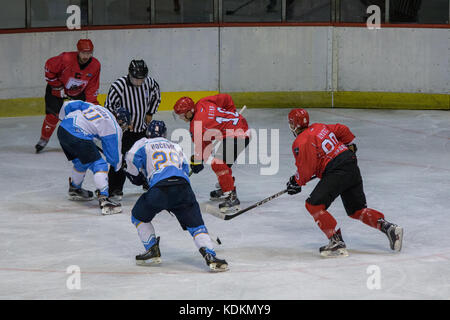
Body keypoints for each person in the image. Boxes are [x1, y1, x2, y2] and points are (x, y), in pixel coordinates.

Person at [285, 108, 403, 257]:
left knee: (313, 205)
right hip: (349, 162)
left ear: (294, 125)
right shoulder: (320, 127)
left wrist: (296, 181)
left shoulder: (300, 141)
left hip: (337, 170)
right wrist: (348, 144)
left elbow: (306, 170)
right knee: (357, 210)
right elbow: (342, 129)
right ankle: (389, 228)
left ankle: (336, 242)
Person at [124, 120, 228, 272]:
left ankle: (152, 250)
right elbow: (185, 170)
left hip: (159, 190)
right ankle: (210, 256)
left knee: (138, 216)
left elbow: (131, 159)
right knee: (196, 226)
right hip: (183, 189)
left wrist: (138, 178)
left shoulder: (143, 143)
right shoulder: (175, 146)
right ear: (165, 134)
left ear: (148, 133)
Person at [173, 94, 250, 212]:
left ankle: (231, 196)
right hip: (239, 126)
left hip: (238, 134)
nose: (181, 118)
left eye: (182, 115)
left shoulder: (196, 126)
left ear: (190, 111)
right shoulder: (202, 102)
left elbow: (204, 150)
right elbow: (227, 98)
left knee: (218, 163)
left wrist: (197, 162)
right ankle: (226, 187)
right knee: (222, 162)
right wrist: (232, 114)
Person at [57, 100, 130, 215]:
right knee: (99, 164)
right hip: (78, 134)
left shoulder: (98, 108)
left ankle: (75, 189)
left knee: (83, 161)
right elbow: (114, 158)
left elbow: (68, 104)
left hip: (62, 130)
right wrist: (120, 165)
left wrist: (62, 118)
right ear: (123, 122)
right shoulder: (114, 127)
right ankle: (105, 200)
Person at [104, 59, 161, 200]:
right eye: (136, 79)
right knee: (120, 160)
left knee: (147, 158)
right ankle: (115, 188)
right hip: (124, 132)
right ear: (129, 74)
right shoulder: (118, 86)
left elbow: (156, 94)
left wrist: (149, 113)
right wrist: (120, 121)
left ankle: (148, 182)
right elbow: (109, 107)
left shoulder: (149, 83)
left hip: (142, 129)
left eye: (142, 79)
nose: (139, 82)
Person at [36, 39, 101, 153]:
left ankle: (80, 140)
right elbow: (49, 67)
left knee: (81, 117)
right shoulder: (65, 58)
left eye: (89, 53)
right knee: (53, 115)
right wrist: (57, 86)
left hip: (79, 93)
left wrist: (91, 103)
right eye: (83, 53)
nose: (86, 56)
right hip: (57, 90)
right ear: (78, 51)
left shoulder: (95, 65)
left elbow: (92, 86)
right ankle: (44, 139)